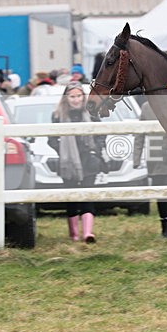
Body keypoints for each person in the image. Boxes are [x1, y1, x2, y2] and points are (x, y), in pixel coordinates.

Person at [48, 81, 107, 243]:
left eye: (78, 96)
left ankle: (88, 233)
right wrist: (62, 150)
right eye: (72, 96)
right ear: (66, 98)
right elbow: (51, 139)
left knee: (88, 194)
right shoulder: (57, 116)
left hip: (89, 159)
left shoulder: (92, 113)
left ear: (83, 96)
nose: (75, 99)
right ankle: (74, 234)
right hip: (68, 162)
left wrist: (96, 150)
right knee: (72, 196)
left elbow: (102, 134)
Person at [133, 100, 167, 238]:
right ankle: (165, 227)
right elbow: (140, 134)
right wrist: (136, 158)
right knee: (160, 192)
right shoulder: (146, 107)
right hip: (155, 159)